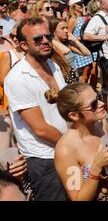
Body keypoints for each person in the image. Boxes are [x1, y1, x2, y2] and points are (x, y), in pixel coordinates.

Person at [4, 17, 68, 201]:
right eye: (38, 39)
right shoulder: (18, 78)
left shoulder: (52, 65)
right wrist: (72, 144)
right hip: (44, 160)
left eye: (48, 36)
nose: (46, 41)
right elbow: (40, 128)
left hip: (64, 148)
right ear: (23, 45)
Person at [49, 83, 108, 201]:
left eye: (98, 97)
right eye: (93, 104)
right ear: (74, 115)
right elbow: (77, 198)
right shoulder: (66, 150)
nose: (101, 104)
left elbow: (105, 178)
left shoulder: (100, 125)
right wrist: (97, 166)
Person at [49, 19, 91, 84]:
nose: (66, 31)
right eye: (62, 28)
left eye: (66, 28)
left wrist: (74, 40)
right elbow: (66, 50)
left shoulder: (67, 44)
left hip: (74, 78)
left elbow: (87, 53)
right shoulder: (52, 45)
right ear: (53, 31)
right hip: (64, 80)